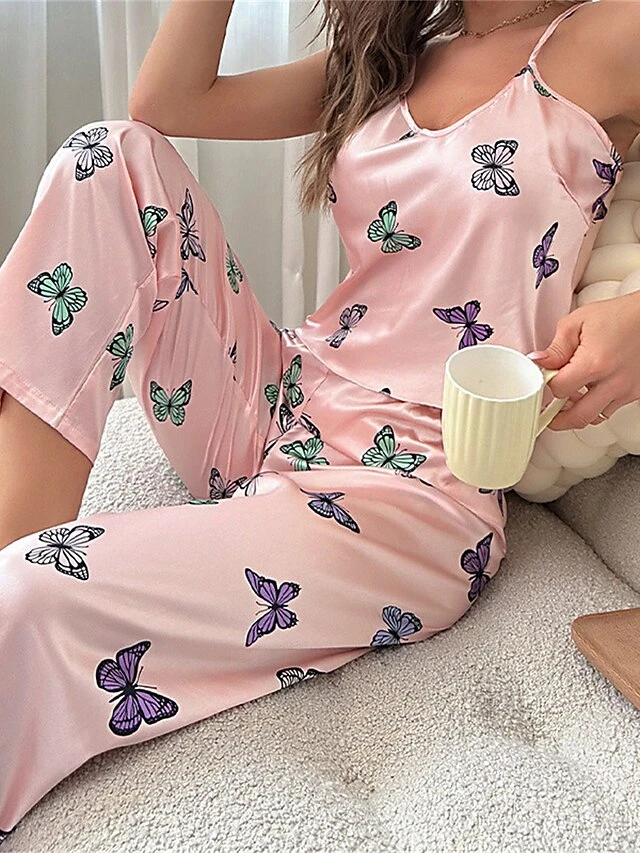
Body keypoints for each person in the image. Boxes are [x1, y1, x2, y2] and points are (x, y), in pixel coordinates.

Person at [0, 0, 625, 842]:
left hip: (411, 487)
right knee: (108, 158)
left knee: (36, 589)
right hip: (281, 391)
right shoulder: (399, 52)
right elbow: (167, 102)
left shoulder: (605, 36)